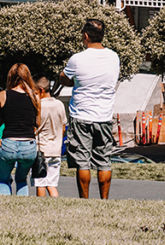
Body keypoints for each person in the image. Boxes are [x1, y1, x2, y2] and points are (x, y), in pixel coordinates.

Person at [59, 18, 121, 200]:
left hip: (82, 115)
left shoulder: (77, 59)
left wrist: (70, 79)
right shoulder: (114, 57)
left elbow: (64, 78)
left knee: (82, 161)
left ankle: (84, 200)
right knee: (104, 162)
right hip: (104, 116)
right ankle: (104, 200)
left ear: (86, 36)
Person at [0, 63, 41, 196]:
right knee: (21, 179)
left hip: (9, 142)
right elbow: (37, 123)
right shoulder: (35, 96)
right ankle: (21, 208)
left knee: (3, 180)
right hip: (29, 144)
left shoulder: (3, 95)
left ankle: (6, 207)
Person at [34, 76, 67, 197]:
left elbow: (34, 126)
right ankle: (55, 205)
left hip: (41, 150)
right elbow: (63, 127)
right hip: (56, 150)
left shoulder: (38, 106)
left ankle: (41, 207)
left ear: (41, 90)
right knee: (52, 184)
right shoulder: (59, 104)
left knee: (40, 183)